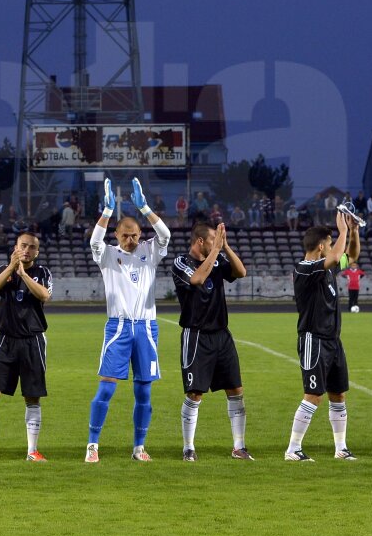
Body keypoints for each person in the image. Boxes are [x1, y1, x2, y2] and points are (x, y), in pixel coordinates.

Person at [85, 178, 171, 463]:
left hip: (146, 328)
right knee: (106, 387)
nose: (130, 240)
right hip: (118, 327)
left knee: (143, 392)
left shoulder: (150, 251)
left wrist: (145, 208)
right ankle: (93, 445)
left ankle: (139, 448)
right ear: (117, 235)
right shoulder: (108, 255)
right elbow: (94, 241)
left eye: (134, 235)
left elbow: (165, 235)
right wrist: (107, 212)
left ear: (140, 233)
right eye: (125, 235)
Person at [171, 222, 252, 462]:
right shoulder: (181, 262)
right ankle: (188, 448)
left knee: (235, 390)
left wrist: (224, 247)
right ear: (200, 241)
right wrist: (216, 250)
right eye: (212, 239)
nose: (216, 242)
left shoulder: (217, 258)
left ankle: (239, 447)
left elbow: (241, 272)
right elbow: (197, 279)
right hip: (196, 335)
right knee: (195, 393)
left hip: (222, 335)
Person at [284, 211, 360, 461]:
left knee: (338, 395)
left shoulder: (325, 269)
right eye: (329, 242)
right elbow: (337, 255)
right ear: (320, 246)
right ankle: (293, 449)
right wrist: (343, 229)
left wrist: (354, 232)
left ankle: (341, 448)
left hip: (333, 341)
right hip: (313, 339)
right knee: (314, 395)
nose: (332, 246)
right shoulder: (304, 268)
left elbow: (351, 256)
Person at [0, 231, 53, 462]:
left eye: (32, 247)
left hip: (33, 340)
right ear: (15, 247)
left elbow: (44, 295)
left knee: (32, 396)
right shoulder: (3, 270)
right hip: (6, 339)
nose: (27, 250)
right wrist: (12, 268)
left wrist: (23, 275)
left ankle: (32, 451)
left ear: (37, 252)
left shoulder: (42, 273)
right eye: (23, 245)